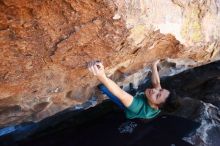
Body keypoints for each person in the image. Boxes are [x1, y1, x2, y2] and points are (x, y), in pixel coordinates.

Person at [88, 60, 170, 119]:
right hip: (143, 101)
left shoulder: (138, 107)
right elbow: (157, 83)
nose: (155, 90)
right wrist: (154, 65)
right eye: (160, 90)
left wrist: (102, 76)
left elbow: (121, 95)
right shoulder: (161, 99)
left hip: (129, 109)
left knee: (104, 87)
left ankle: (103, 89)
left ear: (155, 107)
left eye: (157, 96)